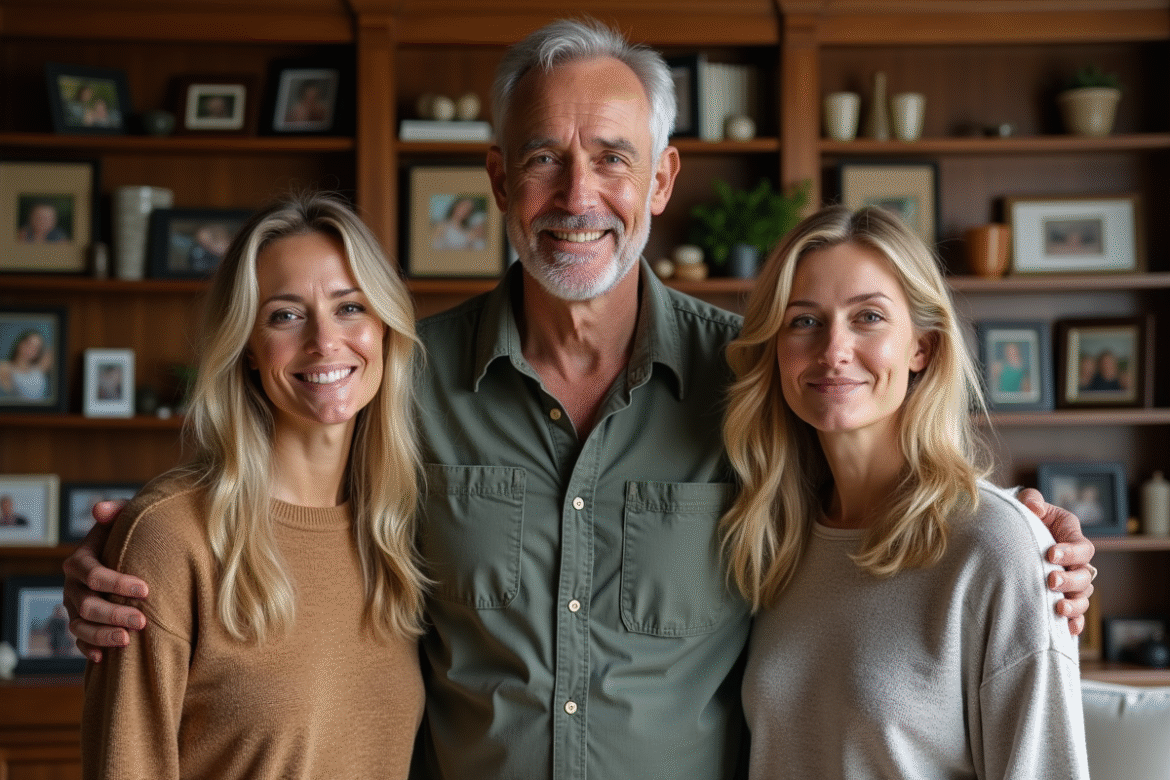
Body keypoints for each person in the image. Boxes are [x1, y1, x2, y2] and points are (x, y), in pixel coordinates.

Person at [63, 19, 1097, 780]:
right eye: (545, 161)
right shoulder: (403, 386)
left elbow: (874, 485)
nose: (576, 196)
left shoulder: (749, 381)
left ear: (660, 182)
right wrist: (135, 568)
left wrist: (1029, 544)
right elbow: (285, 510)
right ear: (499, 178)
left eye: (611, 159)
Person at [722, 205, 1088, 778]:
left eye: (867, 317)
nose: (833, 350)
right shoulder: (772, 539)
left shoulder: (999, 549)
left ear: (922, 347)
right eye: (804, 321)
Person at [80, 192, 427, 779]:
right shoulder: (171, 537)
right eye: (285, 315)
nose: (324, 341)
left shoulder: (399, 531)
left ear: (385, 328)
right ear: (246, 346)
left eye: (350, 307)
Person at [0, 329, 54, 400]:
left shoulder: (40, 368)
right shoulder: (5, 367)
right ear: (20, 344)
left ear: (37, 353)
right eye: (29, 344)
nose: (31, 349)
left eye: (36, 348)